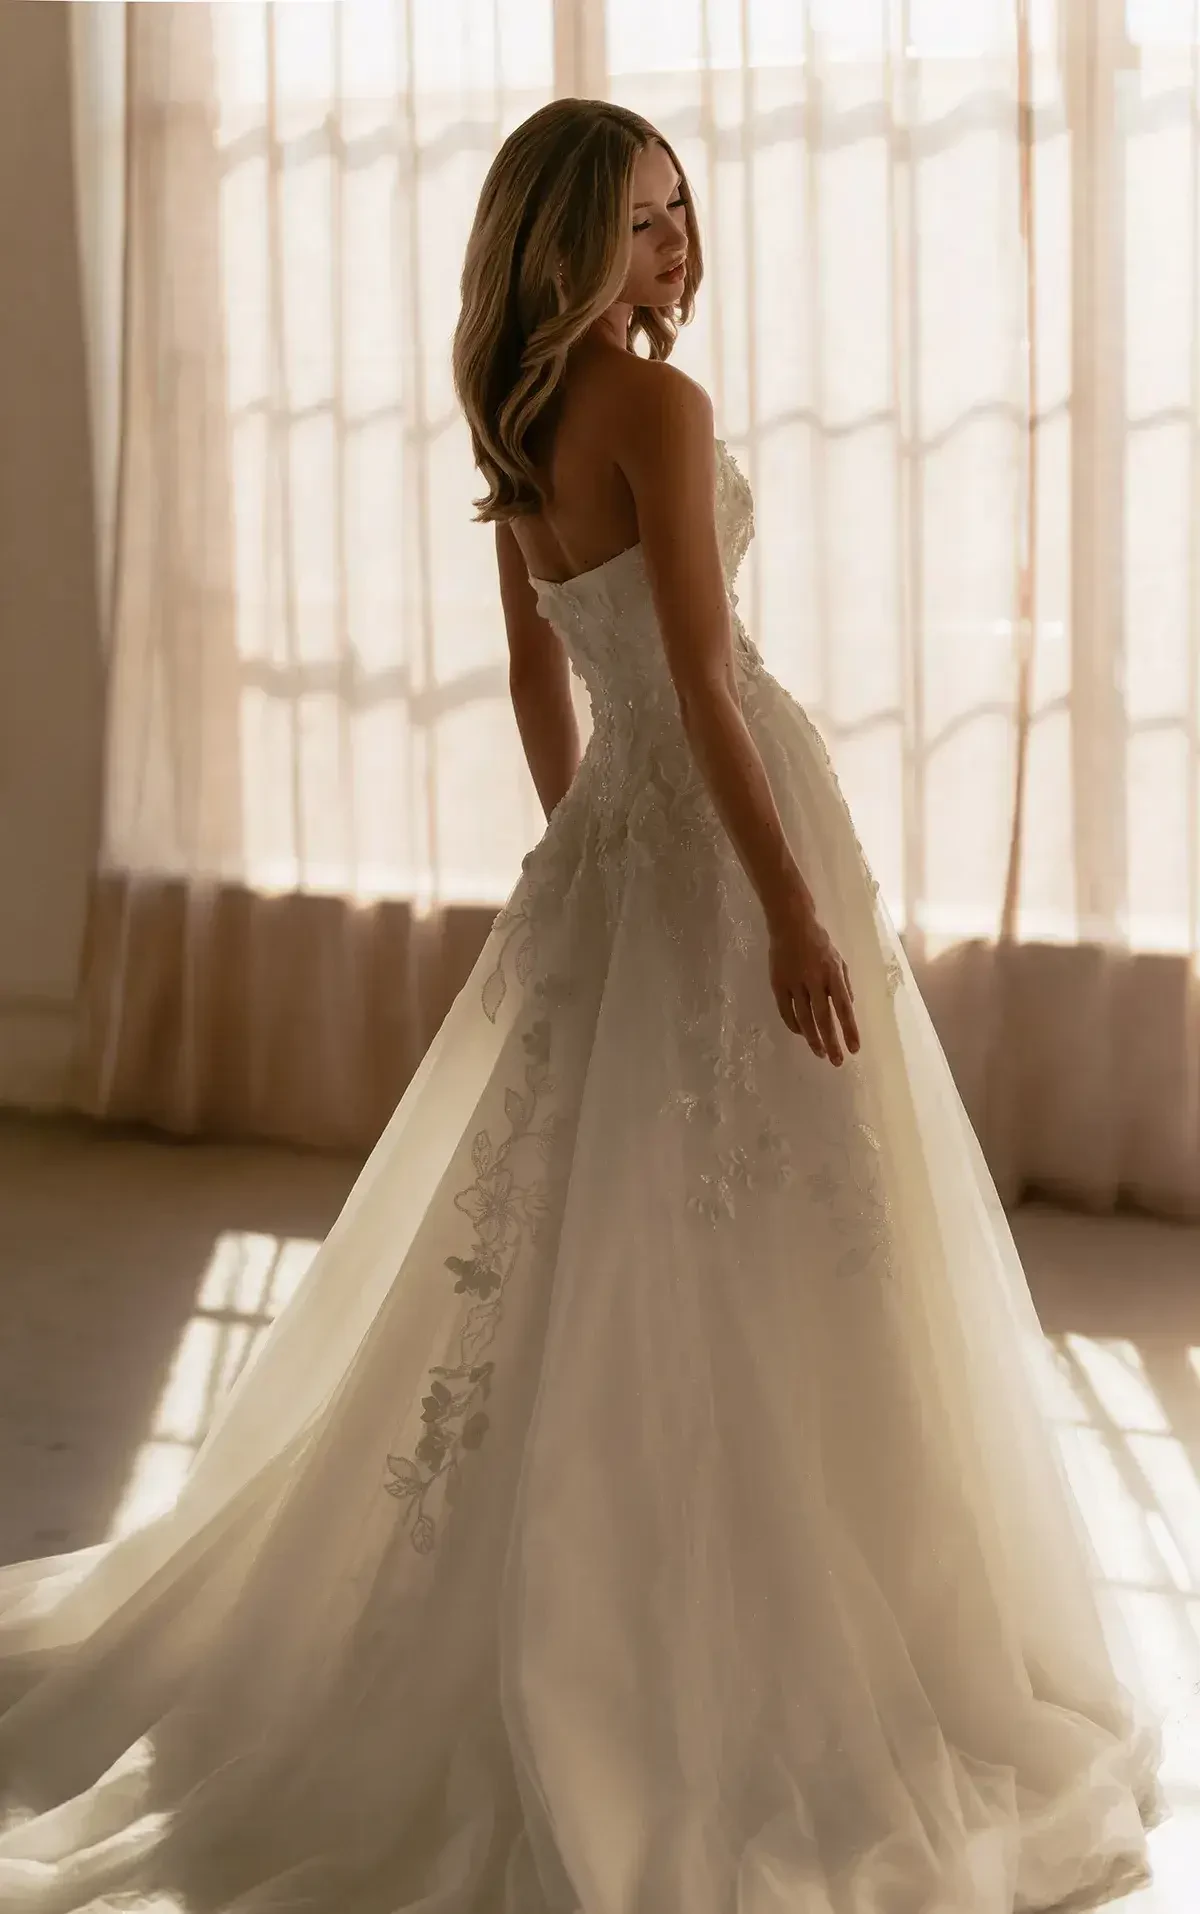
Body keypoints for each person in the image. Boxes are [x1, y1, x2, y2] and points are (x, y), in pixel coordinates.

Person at [0, 96, 1165, 1914]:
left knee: (594, 1223)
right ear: (562, 243)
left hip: (632, 845)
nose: (675, 246)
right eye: (638, 222)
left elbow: (546, 678)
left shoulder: (522, 416)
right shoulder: (664, 411)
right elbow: (700, 677)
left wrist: (589, 851)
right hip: (727, 828)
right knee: (767, 1224)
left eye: (681, 212)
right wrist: (783, 906)